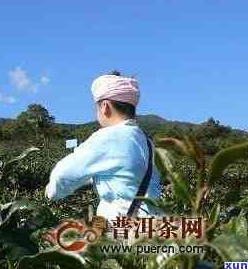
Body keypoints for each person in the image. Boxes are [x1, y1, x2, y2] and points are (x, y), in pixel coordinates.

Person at [45, 71, 161, 220]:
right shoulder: (148, 143)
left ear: (105, 106)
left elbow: (62, 175)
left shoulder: (109, 137)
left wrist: (50, 193)